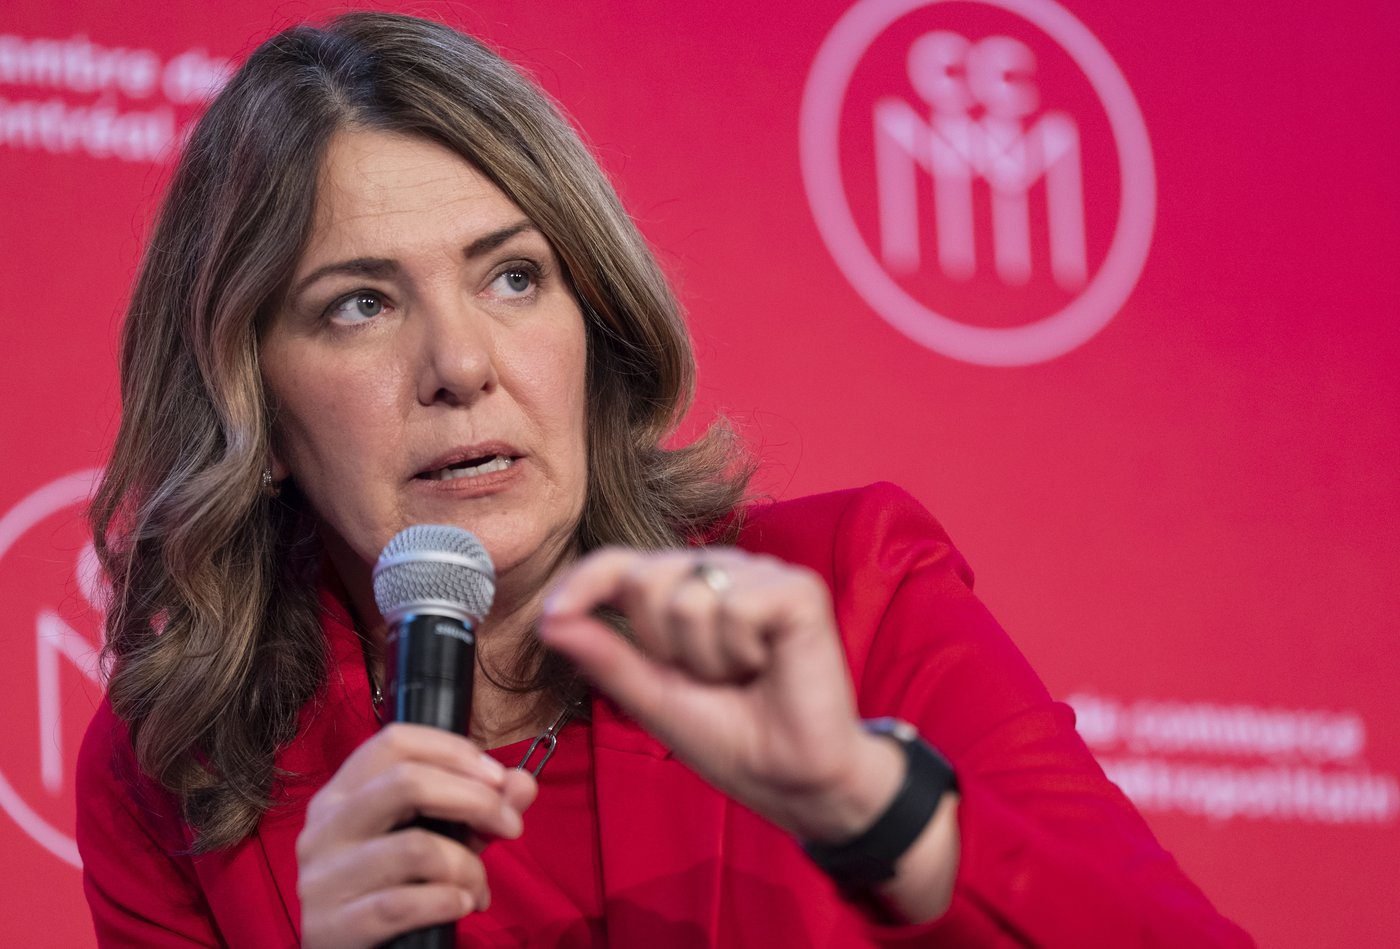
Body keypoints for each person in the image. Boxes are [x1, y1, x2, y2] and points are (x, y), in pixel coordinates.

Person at [76, 11, 1251, 948]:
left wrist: (866, 800)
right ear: (253, 402)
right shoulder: (177, 772)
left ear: (596, 323)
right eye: (359, 305)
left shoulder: (848, 597)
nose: (460, 366)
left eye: (513, 277)